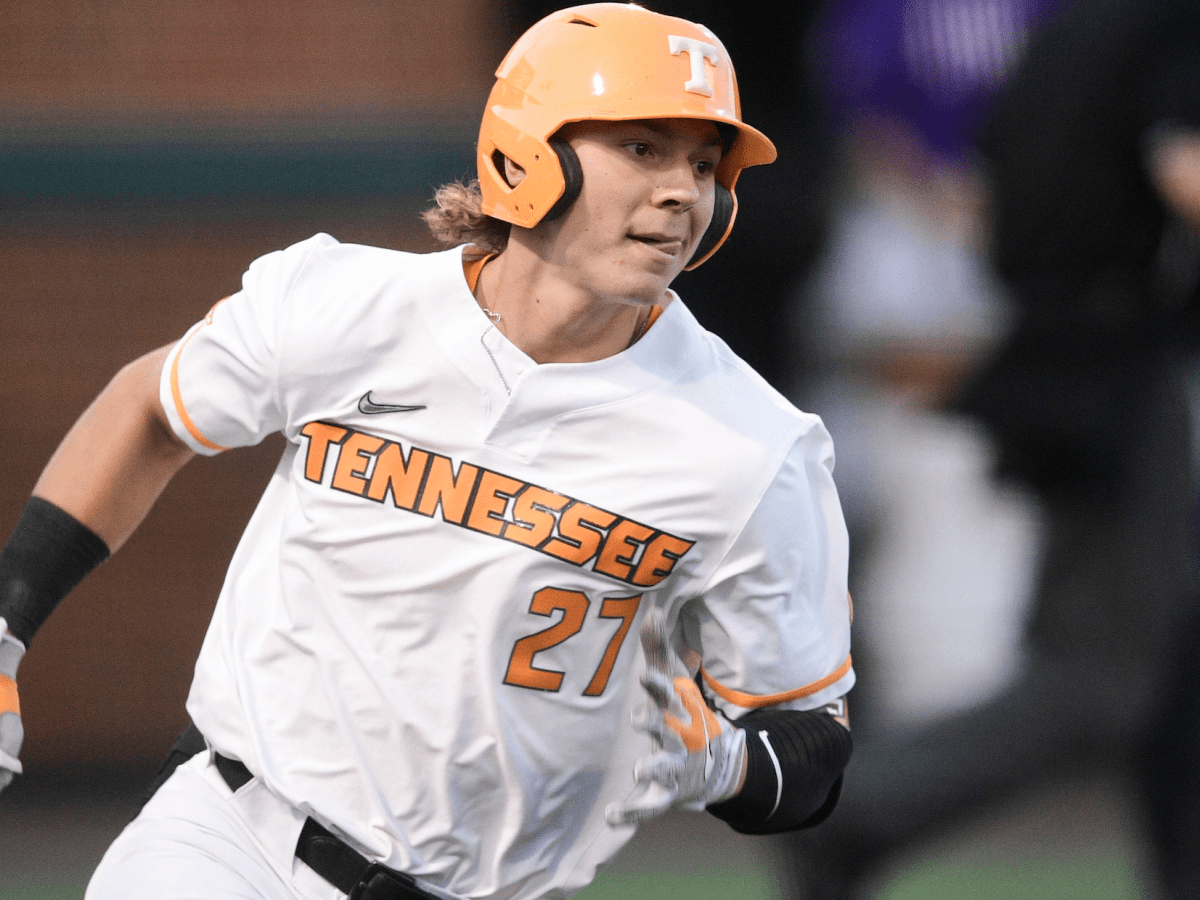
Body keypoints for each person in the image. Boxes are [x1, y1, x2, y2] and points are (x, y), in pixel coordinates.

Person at [0, 5, 856, 900]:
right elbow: (151, 409)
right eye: (642, 147)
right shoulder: (346, 305)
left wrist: (728, 768)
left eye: (704, 163)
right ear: (529, 153)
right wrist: (8, 624)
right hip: (226, 843)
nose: (682, 189)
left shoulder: (753, 446)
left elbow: (814, 746)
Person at [788, 0, 1200, 896]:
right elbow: (1185, 175)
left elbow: (977, 198)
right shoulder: (1163, 27)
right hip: (1121, 379)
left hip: (1058, 361)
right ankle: (853, 806)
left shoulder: (1062, 34)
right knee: (1105, 675)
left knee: (1174, 670)